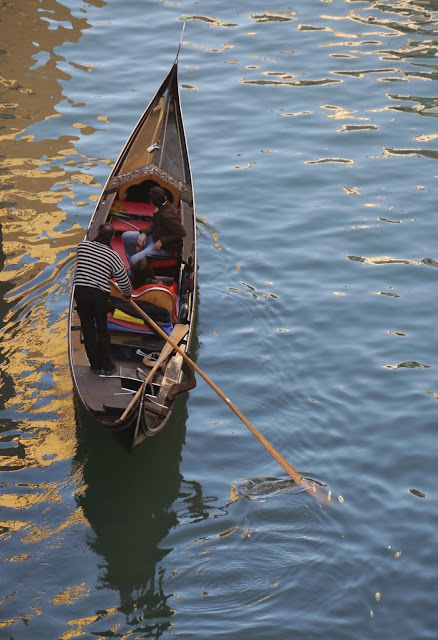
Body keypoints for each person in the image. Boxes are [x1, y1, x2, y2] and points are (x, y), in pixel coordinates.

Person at [74, 223, 132, 375]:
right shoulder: (113, 256)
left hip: (81, 291)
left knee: (87, 327)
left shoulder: (82, 247)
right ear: (112, 238)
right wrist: (127, 294)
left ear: (98, 232)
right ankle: (107, 366)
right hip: (99, 295)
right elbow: (124, 281)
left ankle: (95, 364)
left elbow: (87, 258)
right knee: (102, 329)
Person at [122, 186, 186, 268]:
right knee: (126, 236)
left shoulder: (166, 216)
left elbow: (181, 233)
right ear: (165, 197)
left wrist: (162, 241)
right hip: (154, 237)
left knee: (134, 260)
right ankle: (137, 267)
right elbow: (155, 223)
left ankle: (135, 270)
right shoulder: (161, 208)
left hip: (164, 247)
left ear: (151, 202)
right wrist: (145, 233)